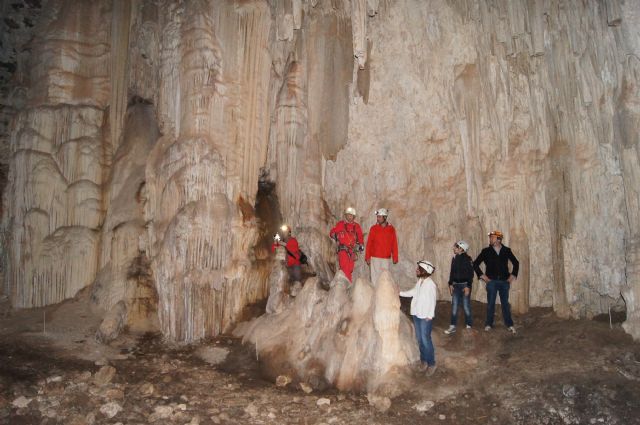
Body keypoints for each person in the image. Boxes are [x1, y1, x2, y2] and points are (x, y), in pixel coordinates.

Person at [473, 230, 519, 333]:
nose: (490, 239)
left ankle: (509, 324)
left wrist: (513, 275)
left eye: (492, 237)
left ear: (499, 239)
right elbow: (475, 264)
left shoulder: (507, 250)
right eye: (490, 237)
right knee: (491, 304)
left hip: (504, 281)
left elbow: (516, 263)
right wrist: (482, 276)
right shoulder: (486, 251)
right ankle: (489, 323)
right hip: (491, 281)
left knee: (505, 304)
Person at [400, 260, 438, 376]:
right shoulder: (420, 281)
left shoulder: (430, 284)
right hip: (416, 314)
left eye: (418, 268)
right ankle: (424, 361)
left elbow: (433, 300)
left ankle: (431, 363)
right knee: (420, 339)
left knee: (426, 340)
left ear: (424, 270)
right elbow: (413, 292)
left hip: (425, 316)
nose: (416, 270)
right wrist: (400, 292)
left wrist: (430, 315)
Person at [444, 240, 474, 334]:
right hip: (456, 285)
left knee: (466, 306)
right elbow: (452, 272)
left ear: (461, 249)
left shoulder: (468, 259)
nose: (454, 248)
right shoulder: (455, 258)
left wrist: (468, 286)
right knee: (454, 306)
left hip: (465, 285)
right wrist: (450, 284)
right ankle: (452, 326)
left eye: (456, 247)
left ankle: (469, 325)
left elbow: (470, 274)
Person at [365, 208, 398, 286]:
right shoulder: (373, 228)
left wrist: (395, 257)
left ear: (385, 217)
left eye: (380, 217)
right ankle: (374, 295)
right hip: (375, 257)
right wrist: (367, 257)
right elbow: (369, 243)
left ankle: (382, 295)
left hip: (385, 258)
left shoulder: (391, 229)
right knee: (375, 278)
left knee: (384, 278)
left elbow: (394, 243)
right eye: (377, 217)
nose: (378, 218)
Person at [329, 207, 364, 282]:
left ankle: (343, 282)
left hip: (352, 250)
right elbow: (332, 232)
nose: (349, 217)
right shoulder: (341, 224)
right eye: (348, 215)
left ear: (354, 217)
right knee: (345, 268)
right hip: (343, 250)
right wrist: (335, 235)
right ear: (346, 216)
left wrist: (361, 245)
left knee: (350, 268)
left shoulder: (356, 226)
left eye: (351, 215)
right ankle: (347, 284)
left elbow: (360, 236)